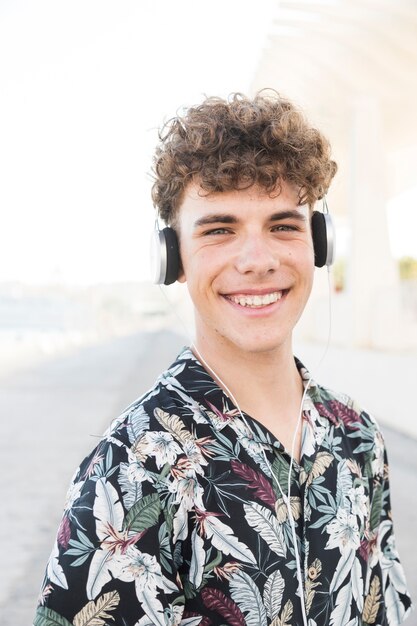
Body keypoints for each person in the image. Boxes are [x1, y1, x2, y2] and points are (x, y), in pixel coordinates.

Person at [34, 91, 412, 626]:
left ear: (318, 245)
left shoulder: (357, 437)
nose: (257, 261)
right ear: (173, 258)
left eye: (284, 225)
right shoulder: (132, 467)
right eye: (219, 230)